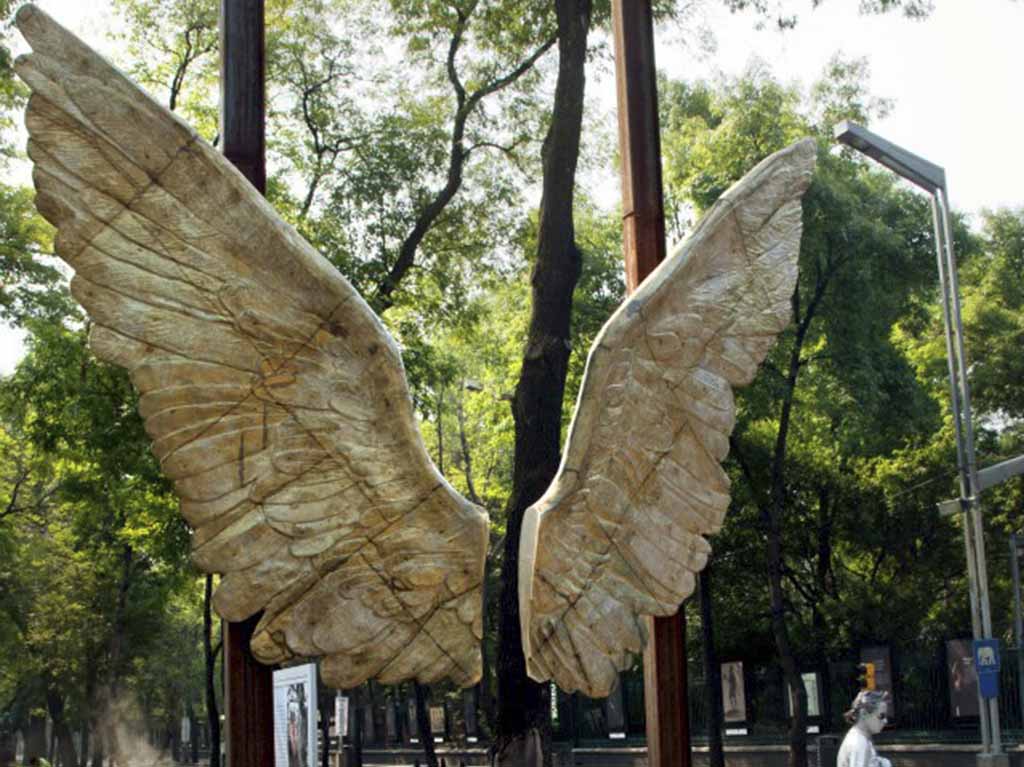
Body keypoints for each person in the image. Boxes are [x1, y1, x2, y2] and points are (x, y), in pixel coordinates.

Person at [837, 690, 891, 767]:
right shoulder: (859, 743)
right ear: (864, 714)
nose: (885, 721)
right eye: (881, 716)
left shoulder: (859, 737)